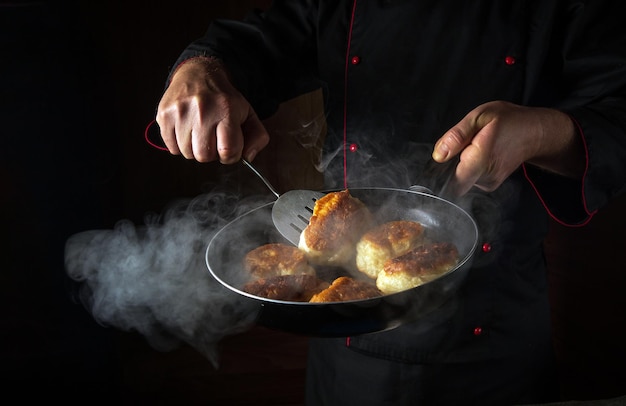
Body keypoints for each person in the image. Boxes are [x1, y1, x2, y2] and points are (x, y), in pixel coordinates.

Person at [154, 1, 626, 404]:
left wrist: (540, 133)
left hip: (497, 323)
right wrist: (201, 69)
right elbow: (264, 38)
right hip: (347, 327)